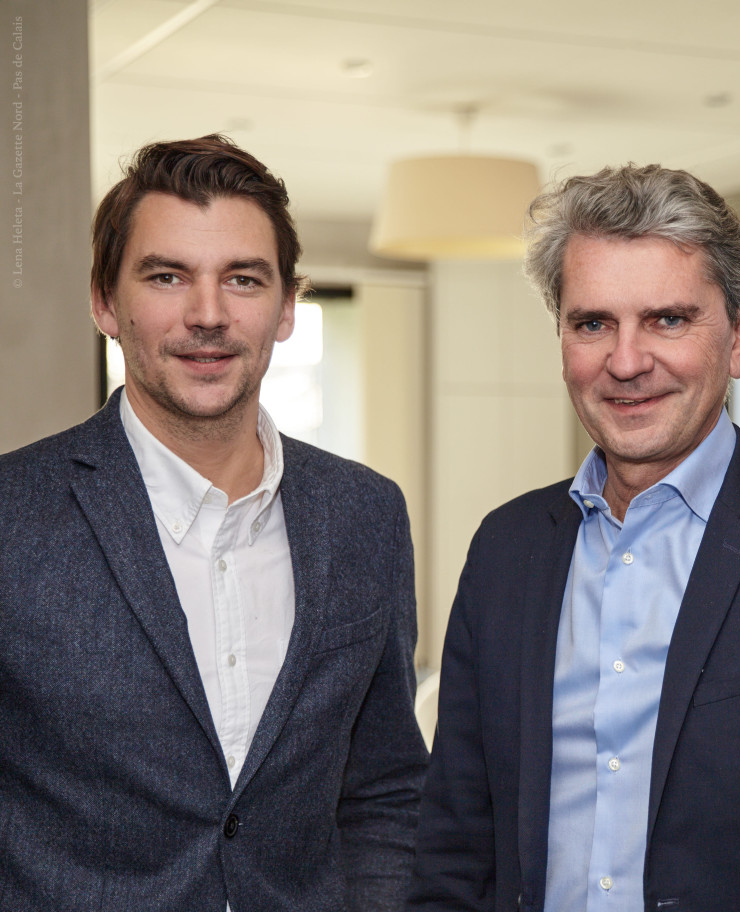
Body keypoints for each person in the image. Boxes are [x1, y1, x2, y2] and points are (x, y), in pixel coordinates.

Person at [410, 164, 740, 912]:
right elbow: (453, 856)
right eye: (592, 323)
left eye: (668, 319)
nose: (627, 361)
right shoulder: (507, 550)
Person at [0, 135, 427, 911]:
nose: (208, 315)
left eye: (243, 279)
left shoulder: (367, 514)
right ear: (105, 301)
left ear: (288, 305)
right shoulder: (12, 515)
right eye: (167, 276)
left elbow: (385, 789)